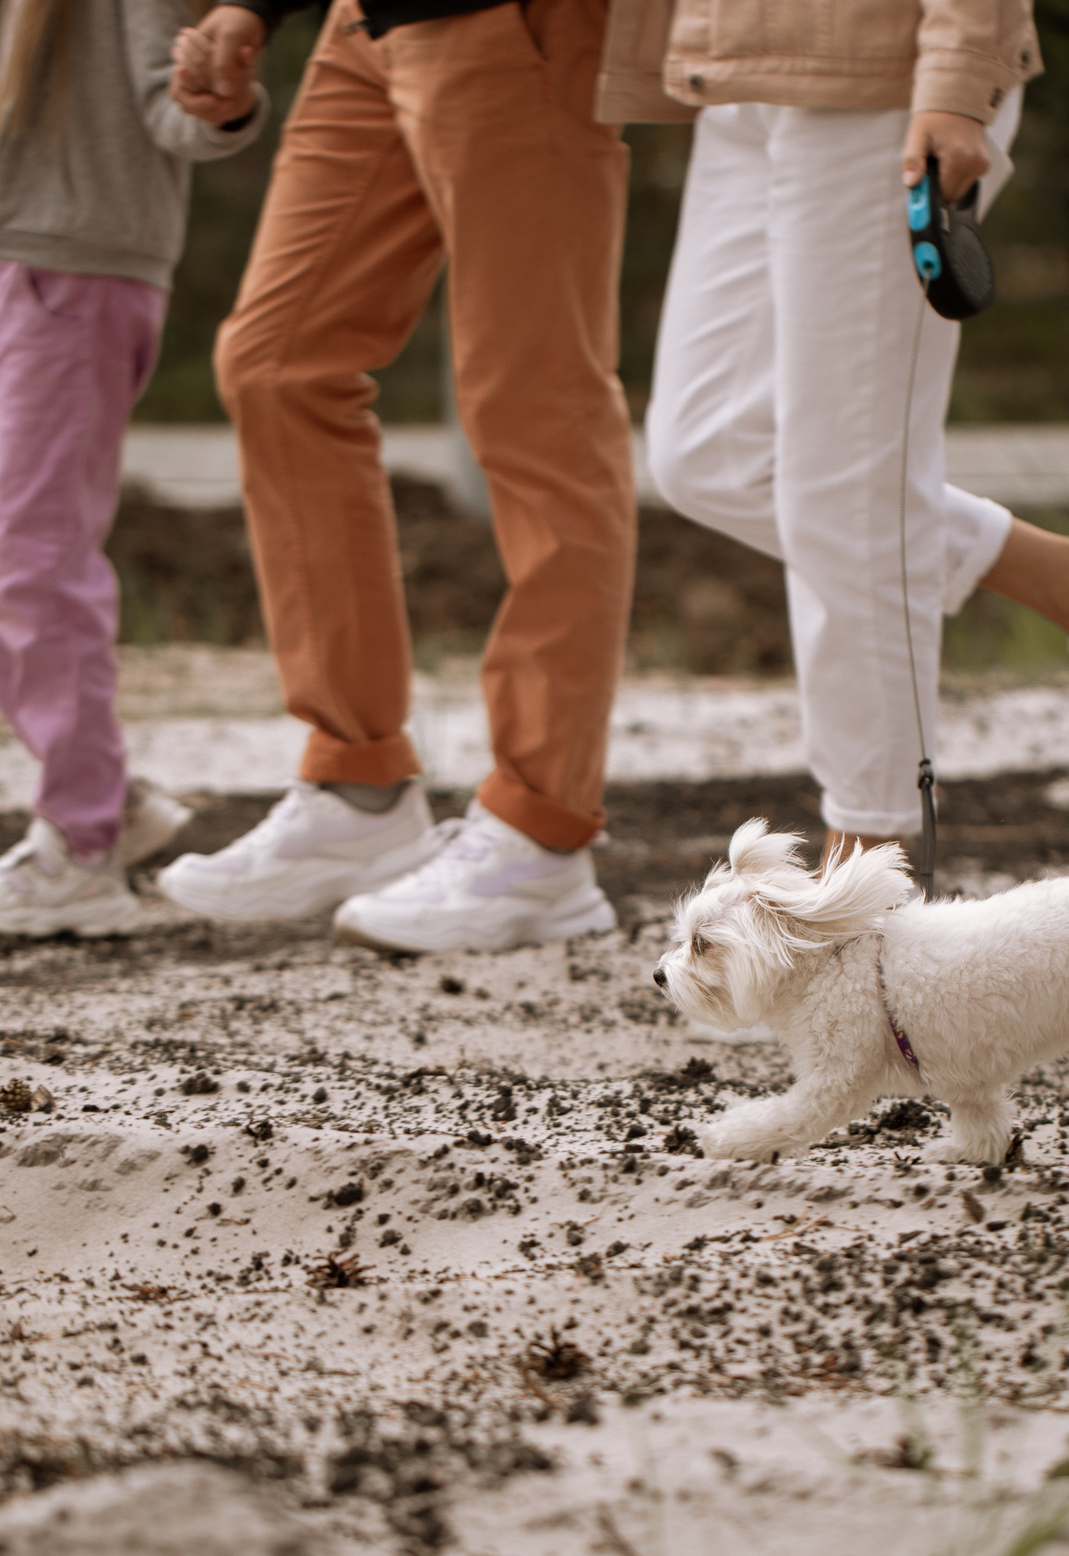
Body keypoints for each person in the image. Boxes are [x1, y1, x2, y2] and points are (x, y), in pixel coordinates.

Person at [606, 0, 1069, 858]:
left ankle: (873, 864)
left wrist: (959, 74)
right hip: (740, 67)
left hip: (881, 72)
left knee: (846, 487)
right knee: (708, 452)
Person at [154, 0, 638, 954]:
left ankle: (542, 835)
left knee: (537, 401)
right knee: (275, 363)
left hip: (513, 20)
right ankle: (356, 783)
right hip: (364, 25)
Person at [0, 0, 268, 936]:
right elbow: (2, 153)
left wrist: (222, 108)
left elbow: (173, 114)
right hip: (5, 280)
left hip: (79, 285)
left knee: (37, 562)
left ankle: (83, 849)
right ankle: (106, 791)